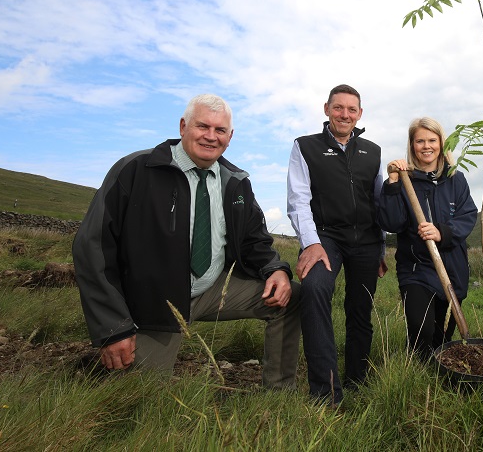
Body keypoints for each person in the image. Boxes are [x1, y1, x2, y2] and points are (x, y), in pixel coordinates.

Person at [72, 94, 301, 388]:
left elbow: (254, 239)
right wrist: (112, 328)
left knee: (291, 297)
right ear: (183, 126)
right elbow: (92, 248)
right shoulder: (136, 169)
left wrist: (276, 270)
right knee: (142, 399)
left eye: (220, 131)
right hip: (154, 305)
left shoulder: (236, 181)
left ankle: (280, 394)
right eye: (202, 126)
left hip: (213, 290)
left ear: (230, 137)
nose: (210, 136)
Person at [287, 84, 387, 405]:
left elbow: (378, 202)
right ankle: (326, 392)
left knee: (360, 309)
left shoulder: (373, 151)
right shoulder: (305, 147)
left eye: (351, 109)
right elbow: (298, 200)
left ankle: (357, 382)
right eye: (338, 107)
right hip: (325, 237)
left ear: (360, 114)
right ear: (327, 109)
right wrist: (311, 243)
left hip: (366, 240)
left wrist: (381, 249)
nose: (345, 114)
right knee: (315, 289)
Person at [378, 117, 477, 360]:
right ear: (412, 146)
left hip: (452, 268)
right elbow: (392, 223)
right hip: (417, 268)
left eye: (432, 140)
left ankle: (442, 382)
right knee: (421, 331)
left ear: (442, 144)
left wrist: (442, 232)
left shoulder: (456, 179)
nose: (426, 146)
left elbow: (468, 215)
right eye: (419, 141)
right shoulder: (403, 181)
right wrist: (391, 184)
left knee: (443, 339)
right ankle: (419, 382)